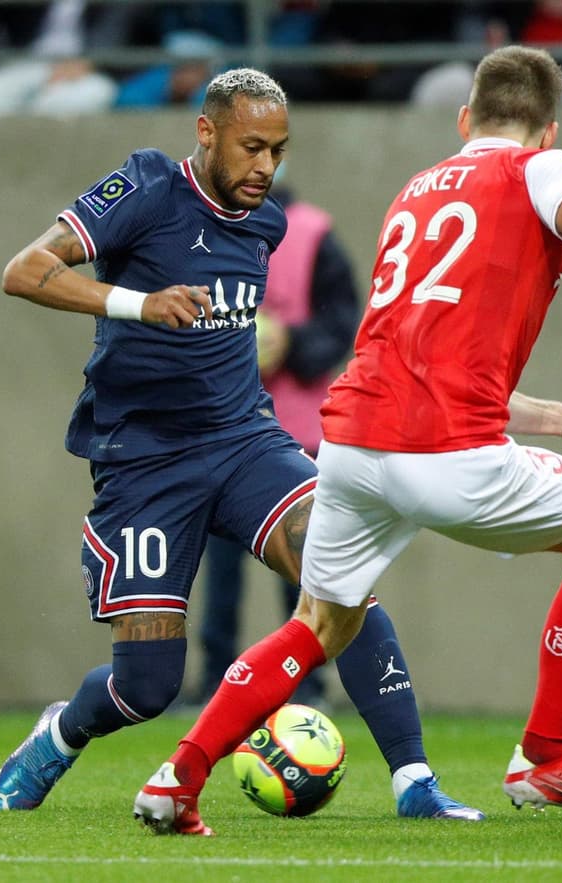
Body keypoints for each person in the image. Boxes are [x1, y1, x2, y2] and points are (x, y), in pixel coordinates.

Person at [133, 45, 562, 836]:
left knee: (318, 624)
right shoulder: (537, 169)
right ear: (548, 132)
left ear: (463, 118)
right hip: (448, 454)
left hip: (351, 444)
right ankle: (547, 756)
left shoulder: (415, 191)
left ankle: (178, 777)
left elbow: (432, 363)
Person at [0, 67, 483, 822]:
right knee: (145, 687)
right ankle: (60, 732)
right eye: (251, 147)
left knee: (340, 570)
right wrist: (140, 304)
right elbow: (25, 272)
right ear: (207, 131)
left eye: (278, 151)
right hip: (145, 459)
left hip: (245, 439)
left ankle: (414, 780)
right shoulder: (148, 187)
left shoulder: (267, 225)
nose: (264, 167)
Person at [193, 182, 361, 709]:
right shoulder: (203, 228)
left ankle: (306, 684)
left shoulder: (313, 232)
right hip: (224, 427)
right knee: (220, 571)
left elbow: (341, 323)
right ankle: (216, 680)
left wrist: (291, 344)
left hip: (301, 431)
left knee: (304, 566)